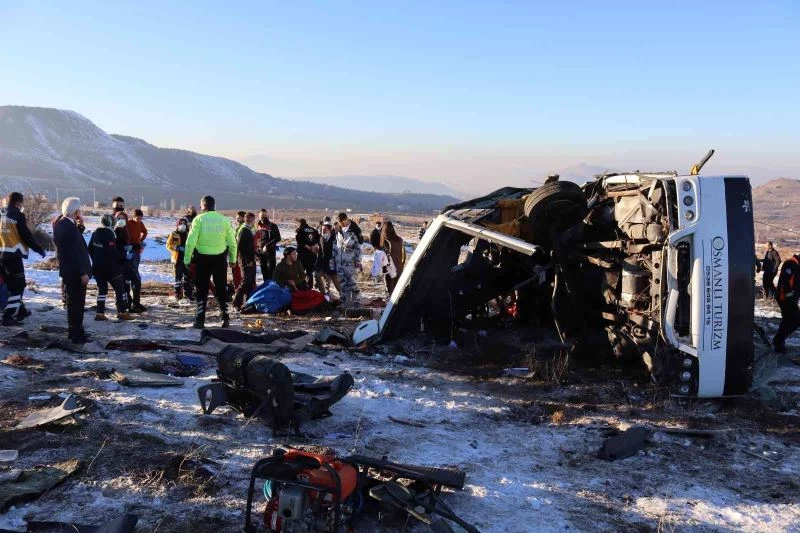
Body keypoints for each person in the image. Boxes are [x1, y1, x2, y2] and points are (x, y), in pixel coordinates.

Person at [184, 195, 237, 329]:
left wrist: (187, 259)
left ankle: (200, 320)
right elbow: (232, 243)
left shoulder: (198, 219)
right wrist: (233, 259)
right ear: (214, 205)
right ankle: (225, 318)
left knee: (202, 290)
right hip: (220, 259)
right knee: (221, 288)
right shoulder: (224, 220)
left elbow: (190, 242)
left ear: (202, 206)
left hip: (202, 259)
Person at [0, 192, 46, 326]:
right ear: (18, 203)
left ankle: (21, 311)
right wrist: (38, 248)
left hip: (1, 256)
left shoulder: (1, 214)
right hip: (13, 255)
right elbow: (26, 235)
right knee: (18, 286)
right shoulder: (18, 215)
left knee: (9, 284)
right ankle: (8, 316)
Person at [53, 198, 92, 343]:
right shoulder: (68, 228)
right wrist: (83, 272)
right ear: (76, 212)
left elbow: (70, 243)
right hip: (75, 273)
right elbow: (74, 252)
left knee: (73, 304)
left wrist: (80, 226)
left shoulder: (61, 225)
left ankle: (74, 331)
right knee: (76, 304)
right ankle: (76, 335)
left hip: (69, 271)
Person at [88, 215, 132, 321]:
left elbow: (90, 248)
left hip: (97, 268)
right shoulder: (110, 234)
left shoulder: (95, 233)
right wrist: (125, 255)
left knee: (102, 290)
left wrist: (96, 260)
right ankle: (122, 312)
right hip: (111, 269)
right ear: (112, 223)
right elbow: (113, 252)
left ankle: (100, 313)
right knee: (120, 290)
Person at [774, 253, 800, 353]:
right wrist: (791, 299)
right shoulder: (791, 263)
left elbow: (796, 284)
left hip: (790, 298)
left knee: (787, 320)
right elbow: (786, 283)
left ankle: (778, 344)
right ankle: (778, 341)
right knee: (796, 320)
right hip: (785, 298)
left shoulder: (797, 265)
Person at [334, 212, 362, 304]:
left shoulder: (355, 230)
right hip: (340, 261)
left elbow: (359, 248)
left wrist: (358, 260)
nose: (340, 224)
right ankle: (344, 300)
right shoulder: (338, 229)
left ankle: (356, 301)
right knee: (342, 282)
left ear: (346, 219)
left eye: (342, 222)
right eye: (339, 222)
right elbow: (336, 245)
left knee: (352, 282)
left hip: (350, 262)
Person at [233, 212, 257, 309]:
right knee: (245, 281)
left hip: (251, 259)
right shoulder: (244, 230)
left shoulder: (250, 230)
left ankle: (246, 303)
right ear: (252, 220)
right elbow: (241, 247)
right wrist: (248, 261)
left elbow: (250, 246)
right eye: (254, 220)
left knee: (250, 282)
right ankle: (236, 302)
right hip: (245, 260)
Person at [166, 217, 193, 301]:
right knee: (178, 277)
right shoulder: (173, 234)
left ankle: (188, 294)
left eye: (184, 223)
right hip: (177, 258)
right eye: (180, 223)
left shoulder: (189, 234)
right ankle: (177, 294)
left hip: (187, 258)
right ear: (178, 225)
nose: (182, 225)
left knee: (187, 277)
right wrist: (177, 247)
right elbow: (168, 245)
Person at [126, 208, 147, 312]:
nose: (139, 220)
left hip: (137, 251)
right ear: (133, 217)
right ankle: (130, 303)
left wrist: (141, 241)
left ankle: (136, 302)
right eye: (137, 218)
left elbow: (145, 232)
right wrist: (129, 244)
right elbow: (124, 236)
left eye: (140, 218)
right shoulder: (128, 223)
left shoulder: (140, 224)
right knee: (133, 277)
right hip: (130, 251)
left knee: (135, 275)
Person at [315, 221, 342, 299]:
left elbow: (338, 251)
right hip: (322, 263)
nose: (323, 231)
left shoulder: (335, 238)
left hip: (332, 263)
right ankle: (323, 294)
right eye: (322, 229)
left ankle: (343, 296)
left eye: (325, 229)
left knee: (335, 281)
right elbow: (320, 252)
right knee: (317, 275)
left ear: (330, 230)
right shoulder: (321, 238)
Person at [381, 220, 406, 294]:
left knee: (389, 291)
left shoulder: (385, 241)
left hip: (389, 269)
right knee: (397, 290)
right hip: (399, 267)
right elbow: (404, 255)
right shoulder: (400, 240)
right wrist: (401, 265)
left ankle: (390, 304)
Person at [256, 210, 281, 282]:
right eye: (262, 216)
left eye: (265, 216)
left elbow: (278, 238)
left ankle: (271, 287)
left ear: (268, 216)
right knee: (264, 272)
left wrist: (267, 245)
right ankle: (265, 286)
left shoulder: (272, 226)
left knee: (271, 272)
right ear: (259, 217)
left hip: (270, 253)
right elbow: (256, 238)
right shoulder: (257, 226)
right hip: (261, 253)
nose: (263, 218)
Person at [295, 219, 320, 289]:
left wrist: (309, 247)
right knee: (310, 272)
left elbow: (300, 242)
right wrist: (314, 246)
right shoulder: (313, 230)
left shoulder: (300, 230)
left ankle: (301, 287)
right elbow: (319, 239)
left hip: (302, 255)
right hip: (312, 255)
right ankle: (310, 287)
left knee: (301, 272)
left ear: (300, 224)